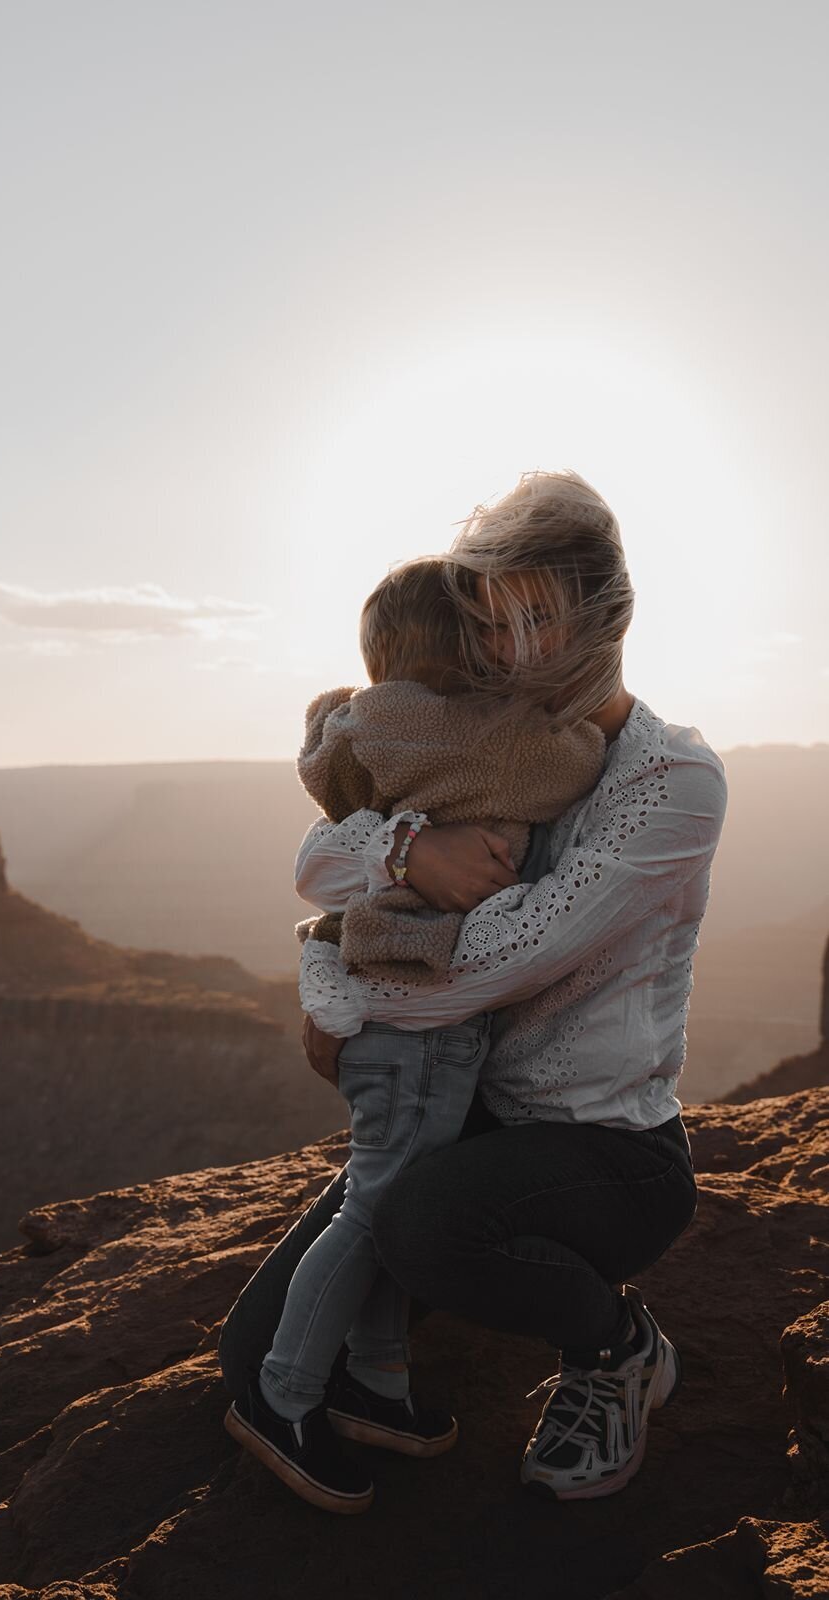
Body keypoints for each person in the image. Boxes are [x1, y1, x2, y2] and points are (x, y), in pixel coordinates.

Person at [219, 467, 727, 1507]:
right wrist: (409, 853)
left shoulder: (669, 782)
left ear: (603, 615)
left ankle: (614, 1346)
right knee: (253, 1353)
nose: (504, 650)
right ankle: (378, 1374)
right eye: (486, 624)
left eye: (531, 618)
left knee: (419, 1227)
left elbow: (488, 967)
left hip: (604, 1149)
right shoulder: (481, 742)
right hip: (472, 1121)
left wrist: (343, 1004)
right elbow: (316, 862)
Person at [224, 556, 606, 1514]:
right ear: (468, 645)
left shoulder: (369, 728)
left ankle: (376, 1380)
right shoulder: (476, 736)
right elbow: (574, 763)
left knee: (395, 1197)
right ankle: (284, 1396)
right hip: (416, 1014)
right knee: (377, 1208)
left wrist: (330, 717)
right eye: (492, 630)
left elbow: (328, 774)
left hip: (400, 1005)